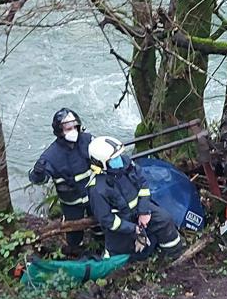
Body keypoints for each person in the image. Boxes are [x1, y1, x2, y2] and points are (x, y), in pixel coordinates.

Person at [87, 136, 184, 259]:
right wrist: (133, 229)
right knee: (122, 254)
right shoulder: (97, 188)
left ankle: (173, 256)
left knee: (164, 220)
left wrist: (144, 211)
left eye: (119, 156)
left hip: (141, 209)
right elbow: (107, 220)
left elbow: (143, 184)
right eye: (114, 159)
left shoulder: (127, 165)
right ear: (100, 163)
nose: (119, 160)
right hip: (121, 223)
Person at [29, 108, 95, 250]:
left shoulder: (88, 140)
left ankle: (100, 243)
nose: (73, 131)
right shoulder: (51, 155)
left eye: (74, 127)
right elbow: (38, 180)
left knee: (100, 224)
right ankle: (74, 252)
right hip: (71, 202)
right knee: (73, 232)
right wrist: (38, 172)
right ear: (59, 131)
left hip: (93, 195)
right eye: (68, 129)